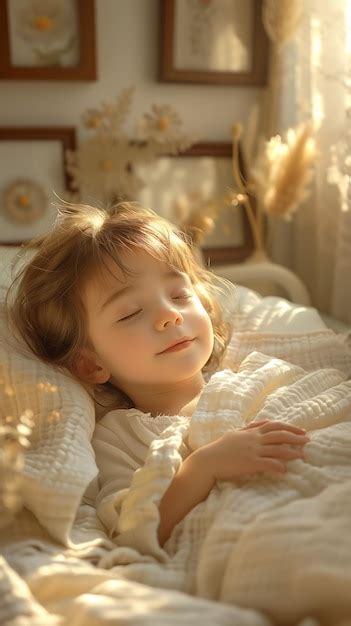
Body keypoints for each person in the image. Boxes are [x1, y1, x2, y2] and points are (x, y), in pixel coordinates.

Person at [6, 201, 309, 546]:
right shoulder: (119, 436)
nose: (170, 315)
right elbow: (131, 530)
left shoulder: (257, 377)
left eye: (179, 295)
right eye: (130, 313)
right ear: (90, 364)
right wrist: (204, 466)